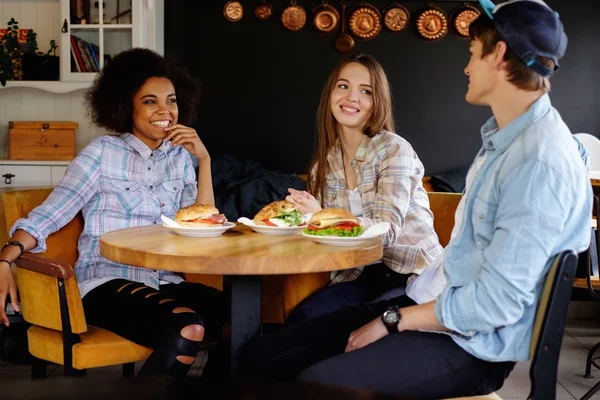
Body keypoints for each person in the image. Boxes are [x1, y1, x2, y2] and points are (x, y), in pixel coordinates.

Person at [238, 1, 592, 398]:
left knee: (314, 384)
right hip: (428, 300)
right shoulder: (503, 143)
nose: (466, 67)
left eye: (473, 54)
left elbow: (495, 305)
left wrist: (392, 320)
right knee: (262, 357)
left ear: (499, 54)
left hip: (467, 344)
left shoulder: (537, 162)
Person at [0, 48, 225, 378]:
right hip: (105, 280)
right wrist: (7, 257)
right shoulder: (102, 154)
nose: (165, 110)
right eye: (150, 101)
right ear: (126, 106)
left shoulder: (179, 158)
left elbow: (201, 222)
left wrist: (203, 160)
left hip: (163, 278)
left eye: (171, 100)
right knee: (187, 327)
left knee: (236, 316)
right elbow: (52, 213)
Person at [284, 53, 443, 324]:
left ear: (376, 101)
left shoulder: (394, 149)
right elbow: (325, 237)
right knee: (304, 319)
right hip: (359, 274)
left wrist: (323, 216)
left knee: (350, 325)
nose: (351, 97)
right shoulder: (324, 164)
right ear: (331, 93)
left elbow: (387, 230)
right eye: (343, 86)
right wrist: (305, 219)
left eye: (365, 91)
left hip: (413, 275)